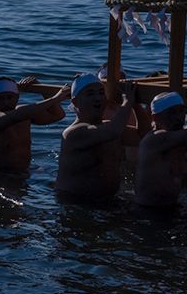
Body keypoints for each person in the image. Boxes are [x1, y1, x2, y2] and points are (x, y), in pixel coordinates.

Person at [55, 71, 133, 203]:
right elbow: (113, 132)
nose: (98, 98)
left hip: (107, 201)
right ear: (75, 101)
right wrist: (128, 102)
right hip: (76, 202)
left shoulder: (108, 127)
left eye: (101, 93)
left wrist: (136, 104)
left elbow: (143, 134)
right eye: (90, 94)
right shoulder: (74, 133)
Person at [134, 91, 187, 210]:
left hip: (171, 206)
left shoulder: (177, 139)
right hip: (147, 210)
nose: (179, 117)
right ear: (155, 118)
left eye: (181, 111)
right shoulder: (156, 138)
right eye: (172, 113)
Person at [0, 76, 68, 175]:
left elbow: (57, 115)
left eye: (10, 97)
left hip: (25, 170)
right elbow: (19, 115)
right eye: (0, 98)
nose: (6, 102)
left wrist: (41, 89)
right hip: (0, 172)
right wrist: (56, 98)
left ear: (17, 97)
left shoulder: (25, 114)